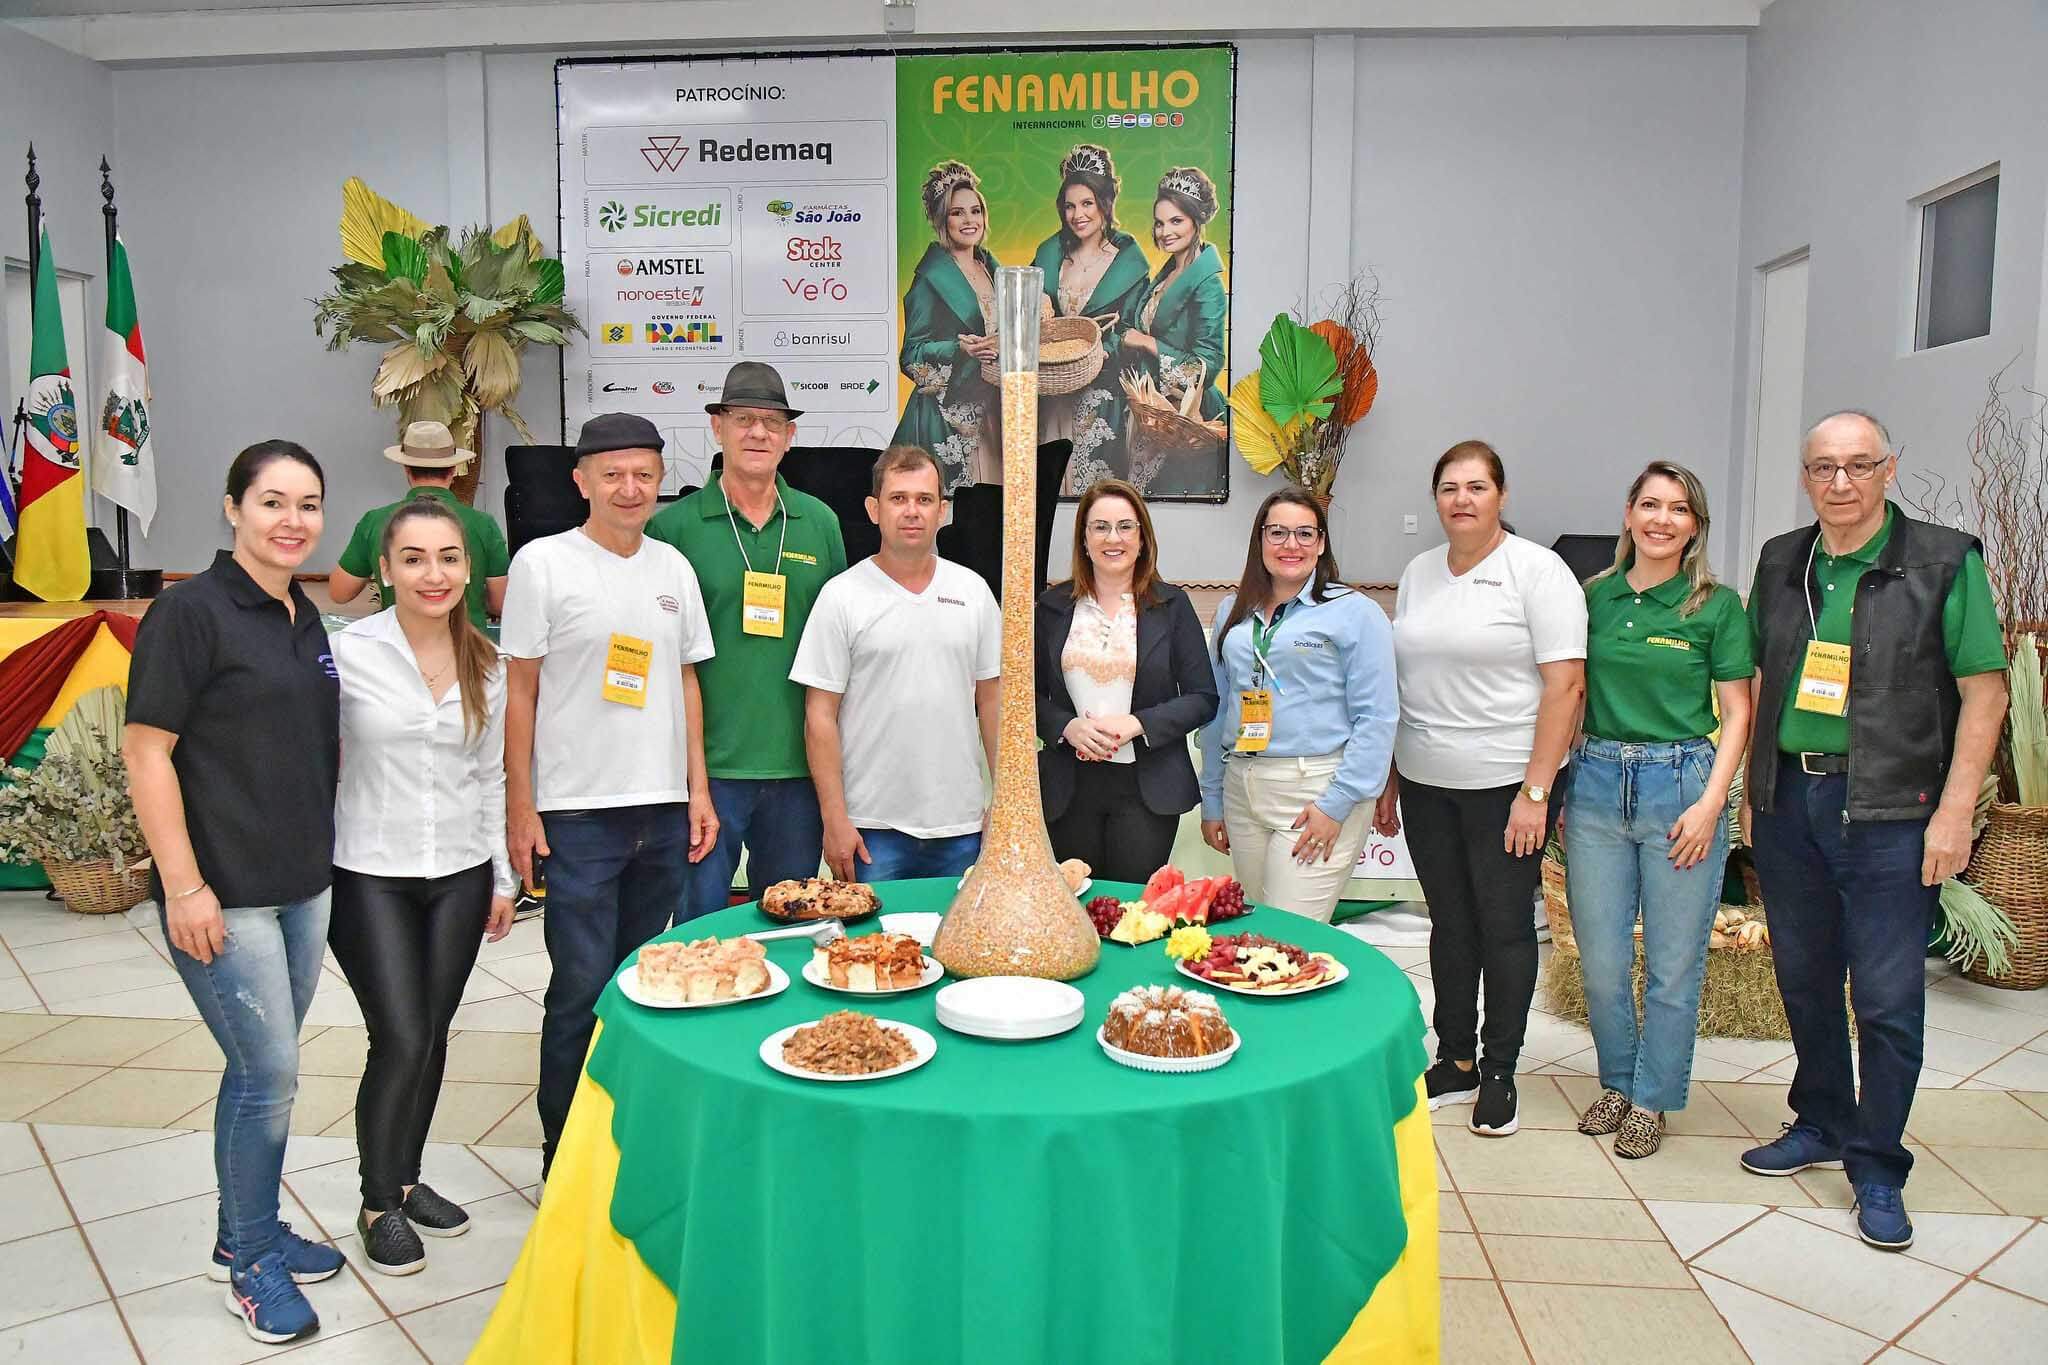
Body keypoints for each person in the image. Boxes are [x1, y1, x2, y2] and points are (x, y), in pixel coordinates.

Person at [1738, 410, 2007, 1251]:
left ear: (1890, 469)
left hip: (1892, 811)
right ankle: (1821, 1118)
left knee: (1887, 999)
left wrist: (1955, 811)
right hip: (1791, 803)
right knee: (1805, 978)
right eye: (1823, 467)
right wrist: (1752, 786)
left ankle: (1879, 1164)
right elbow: (1758, 676)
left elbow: (1986, 692)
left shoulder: (1943, 561)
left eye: (1859, 464)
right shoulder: (1782, 560)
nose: (1841, 482)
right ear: (1805, 477)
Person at [123, 440, 347, 1345]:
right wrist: (184, 886)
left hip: (303, 887)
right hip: (226, 893)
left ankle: (241, 1228)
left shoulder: (303, 613)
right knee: (271, 1074)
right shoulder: (190, 612)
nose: (293, 521)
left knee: (260, 1070)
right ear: (232, 508)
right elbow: (146, 752)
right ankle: (251, 1261)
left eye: (308, 504)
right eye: (272, 502)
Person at [500, 412, 717, 1174]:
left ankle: (629, 1137)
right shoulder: (543, 564)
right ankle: (564, 1153)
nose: (630, 488)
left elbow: (687, 681)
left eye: (644, 474)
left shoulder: (673, 569)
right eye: (613, 474)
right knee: (580, 985)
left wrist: (697, 789)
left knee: (641, 984)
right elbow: (520, 691)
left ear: (661, 481)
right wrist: (520, 804)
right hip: (578, 815)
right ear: (581, 480)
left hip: (661, 812)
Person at [329, 495, 518, 1275]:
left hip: (461, 874)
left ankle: (405, 1178)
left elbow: (491, 774)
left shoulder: (488, 661)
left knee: (433, 1032)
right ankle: (377, 1201)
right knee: (401, 1034)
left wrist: (502, 876)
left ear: (468, 568)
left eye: (448, 557)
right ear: (385, 568)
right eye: (414, 558)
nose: (432, 573)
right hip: (369, 871)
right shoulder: (346, 653)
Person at [1377, 441, 1587, 1139]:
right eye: (1449, 488)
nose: (1461, 499)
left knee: (1503, 928)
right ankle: (1456, 1057)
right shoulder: (1418, 573)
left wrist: (1537, 791)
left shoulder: (1538, 572)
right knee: (1449, 924)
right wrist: (1391, 776)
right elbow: (1406, 684)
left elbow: (1566, 687)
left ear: (1501, 494)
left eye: (1476, 486)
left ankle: (1499, 1070)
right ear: (1435, 498)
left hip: (1507, 787)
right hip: (1426, 783)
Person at [1565, 462, 1754, 1159]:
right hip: (1596, 783)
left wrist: (1713, 804)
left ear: (1695, 525)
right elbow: (1568, 691)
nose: (1662, 519)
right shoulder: (1593, 597)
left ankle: (1652, 1098)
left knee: (1674, 964)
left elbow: (1738, 712)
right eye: (1650, 504)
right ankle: (1617, 1081)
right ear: (1628, 513)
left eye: (1678, 509)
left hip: (1681, 786)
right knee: (1601, 959)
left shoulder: (1717, 606)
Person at [648, 363, 846, 922]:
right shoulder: (675, 529)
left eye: (771, 422)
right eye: (743, 419)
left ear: (790, 435)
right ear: (718, 428)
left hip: (798, 769)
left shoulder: (819, 523)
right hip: (707, 772)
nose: (758, 432)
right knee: (699, 930)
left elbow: (839, 647)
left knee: (790, 927)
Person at [792, 445, 1001, 882]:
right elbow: (819, 715)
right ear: (874, 509)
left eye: (924, 499)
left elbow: (993, 703)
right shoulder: (841, 597)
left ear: (942, 510)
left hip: (961, 827)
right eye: (898, 498)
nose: (912, 511)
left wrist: (1004, 801)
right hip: (870, 830)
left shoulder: (974, 592)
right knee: (871, 932)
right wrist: (834, 819)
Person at [1198, 488, 1397, 924]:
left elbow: (1377, 717)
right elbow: (1217, 709)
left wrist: (1336, 805)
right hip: (1242, 785)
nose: (1291, 545)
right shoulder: (1234, 610)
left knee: (1292, 936)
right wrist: (1212, 798)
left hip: (1316, 788)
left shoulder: (1355, 613)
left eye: (1305, 534)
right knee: (1257, 930)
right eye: (1278, 533)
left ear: (1322, 543)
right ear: (1260, 540)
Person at [1036, 478, 1217, 883]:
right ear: (1084, 540)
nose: (1112, 538)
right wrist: (1066, 727)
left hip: (1147, 787)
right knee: (1077, 901)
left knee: (1133, 906)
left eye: (1125, 526)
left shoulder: (1172, 606)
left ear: (1142, 538)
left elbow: (1203, 697)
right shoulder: (1051, 607)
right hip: (1068, 786)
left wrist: (1138, 723)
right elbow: (1025, 697)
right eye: (1100, 527)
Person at [1031, 144, 1152, 493]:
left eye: (1087, 203)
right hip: (1051, 390)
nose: (1078, 214)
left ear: (1105, 203)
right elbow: (1028, 313)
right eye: (1070, 206)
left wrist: (1099, 350)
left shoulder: (1129, 263)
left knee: (1094, 494)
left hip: (1100, 394)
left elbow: (1131, 328)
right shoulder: (1049, 254)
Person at [328, 420, 511, 629]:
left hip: (399, 642)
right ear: (453, 469)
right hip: (468, 645)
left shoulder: (375, 521)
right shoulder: (483, 524)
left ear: (406, 469)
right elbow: (501, 603)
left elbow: (339, 592)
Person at [893, 160, 1006, 493]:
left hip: (993, 408)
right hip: (947, 418)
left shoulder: (991, 267)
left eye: (975, 211)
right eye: (958, 213)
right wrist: (958, 349)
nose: (969, 220)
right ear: (942, 220)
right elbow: (911, 354)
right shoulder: (930, 280)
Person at [1118, 166, 1227, 497]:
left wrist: (1147, 342)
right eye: (1159, 223)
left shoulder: (1208, 284)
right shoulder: (1167, 273)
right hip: (1151, 412)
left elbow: (1208, 366)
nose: (1165, 231)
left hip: (1185, 419)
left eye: (1176, 221)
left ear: (1197, 220)